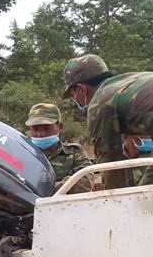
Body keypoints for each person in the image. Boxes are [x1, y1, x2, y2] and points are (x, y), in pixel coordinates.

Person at [63, 54, 153, 189]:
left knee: (142, 203)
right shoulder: (131, 81)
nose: (75, 101)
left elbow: (111, 166)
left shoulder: (100, 102)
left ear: (81, 89)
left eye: (72, 95)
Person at [24, 103, 94, 194]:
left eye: (46, 128)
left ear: (60, 127)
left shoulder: (74, 152)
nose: (41, 134)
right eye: (36, 129)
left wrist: (55, 188)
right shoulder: (24, 154)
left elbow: (86, 179)